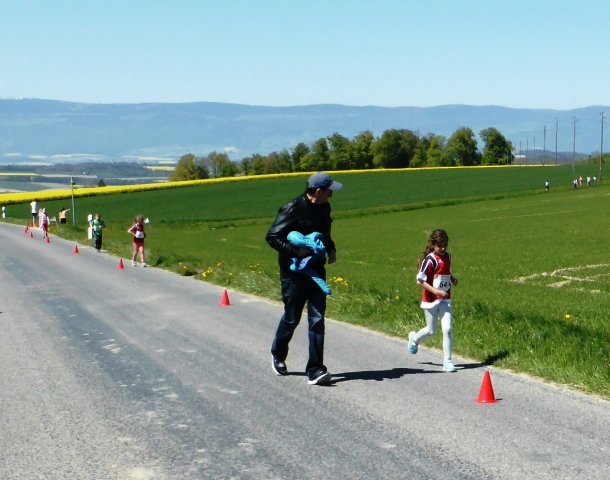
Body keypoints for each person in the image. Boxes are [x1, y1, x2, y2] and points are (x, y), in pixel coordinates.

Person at [266, 172, 343, 386]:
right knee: (292, 318)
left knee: (317, 320)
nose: (331, 195)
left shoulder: (325, 207)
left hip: (316, 271)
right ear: (318, 191)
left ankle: (316, 369)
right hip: (294, 274)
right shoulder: (292, 208)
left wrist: (331, 248)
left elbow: (324, 233)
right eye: (329, 191)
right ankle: (278, 355)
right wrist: (296, 252)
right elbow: (272, 237)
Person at [408, 229, 459, 372]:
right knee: (431, 331)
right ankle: (414, 339)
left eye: (445, 245)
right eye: (440, 246)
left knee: (448, 328)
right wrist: (435, 291)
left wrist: (452, 278)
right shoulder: (430, 260)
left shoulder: (448, 256)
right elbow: (419, 280)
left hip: (445, 299)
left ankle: (447, 361)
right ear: (433, 244)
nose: (443, 249)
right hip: (431, 299)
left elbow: (446, 271)